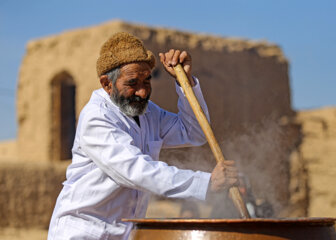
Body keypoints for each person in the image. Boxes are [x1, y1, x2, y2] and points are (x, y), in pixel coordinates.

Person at [48, 32, 239, 240]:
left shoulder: (149, 113)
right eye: (132, 83)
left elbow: (195, 132)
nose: (142, 92)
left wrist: (185, 82)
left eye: (146, 81)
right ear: (106, 84)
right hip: (83, 233)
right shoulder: (97, 118)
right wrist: (205, 183)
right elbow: (137, 171)